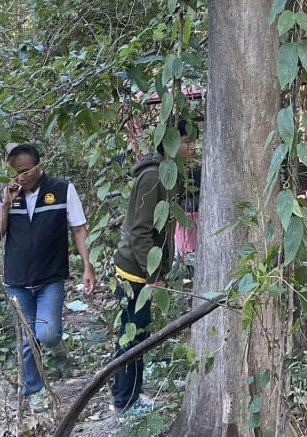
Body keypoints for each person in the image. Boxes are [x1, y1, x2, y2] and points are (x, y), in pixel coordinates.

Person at [0, 143, 95, 412]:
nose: (20, 177)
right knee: (27, 338)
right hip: (17, 279)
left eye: (25, 171)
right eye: (15, 173)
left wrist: (87, 266)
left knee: (46, 334)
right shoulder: (4, 195)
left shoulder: (61, 189)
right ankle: (33, 391)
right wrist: (5, 205)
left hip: (50, 277)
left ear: (39, 167)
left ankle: (56, 346)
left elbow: (79, 229)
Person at [111, 119, 197, 421]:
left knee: (137, 334)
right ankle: (124, 402)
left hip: (142, 271)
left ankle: (128, 395)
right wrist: (154, 277)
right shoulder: (152, 177)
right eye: (186, 141)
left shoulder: (169, 173)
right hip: (135, 273)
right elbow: (139, 232)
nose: (192, 147)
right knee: (132, 338)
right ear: (170, 142)